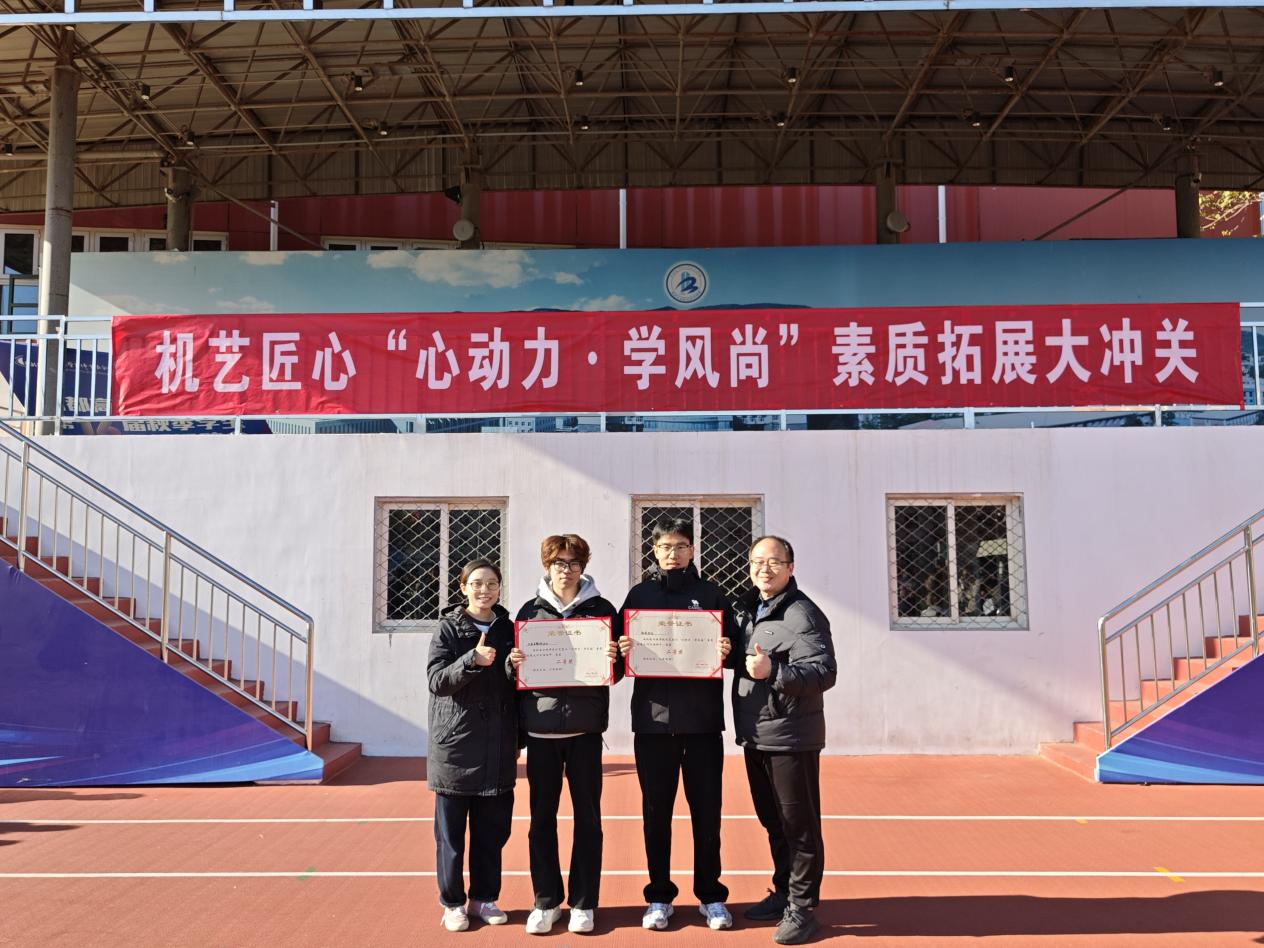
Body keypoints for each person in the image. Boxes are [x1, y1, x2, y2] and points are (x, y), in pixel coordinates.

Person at [617, 518, 735, 932]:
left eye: (681, 546)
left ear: (692, 550)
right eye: (666, 546)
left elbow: (734, 650)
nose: (673, 553)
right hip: (653, 724)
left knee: (707, 813)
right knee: (656, 813)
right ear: (654, 550)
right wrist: (622, 649)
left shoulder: (711, 594)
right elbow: (615, 659)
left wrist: (727, 648)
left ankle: (711, 895)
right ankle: (659, 896)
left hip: (703, 724)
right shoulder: (639, 596)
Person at [508, 534, 622, 936]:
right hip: (541, 733)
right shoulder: (529, 611)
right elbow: (514, 673)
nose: (566, 569)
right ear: (547, 566)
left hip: (585, 731)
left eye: (573, 562)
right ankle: (546, 901)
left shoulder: (602, 610)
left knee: (588, 819)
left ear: (583, 567)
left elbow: (616, 672)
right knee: (541, 820)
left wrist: (615, 660)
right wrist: (512, 663)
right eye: (559, 562)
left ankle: (584, 902)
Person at [732, 536, 836, 946]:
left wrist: (773, 671)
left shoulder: (803, 613)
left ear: (790, 567)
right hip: (757, 736)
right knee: (774, 822)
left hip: (792, 738)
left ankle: (803, 909)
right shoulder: (750, 610)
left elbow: (823, 673)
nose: (765, 568)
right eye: (758, 561)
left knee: (799, 827)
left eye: (774, 561)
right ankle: (784, 892)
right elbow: (744, 662)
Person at [426, 559, 518, 933]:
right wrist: (471, 660)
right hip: (456, 747)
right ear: (463, 588)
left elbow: (515, 683)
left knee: (492, 834)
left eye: (492, 583)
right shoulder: (448, 628)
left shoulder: (509, 629)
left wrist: (515, 667)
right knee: (451, 837)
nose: (485, 590)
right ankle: (452, 903)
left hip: (498, 745)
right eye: (477, 583)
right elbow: (437, 681)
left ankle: (484, 898)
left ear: (500, 588)